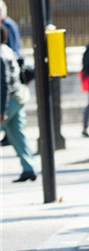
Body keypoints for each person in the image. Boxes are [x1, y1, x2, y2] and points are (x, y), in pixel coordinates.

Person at [1, 24, 35, 182]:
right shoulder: (7, 50)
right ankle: (29, 169)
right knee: (17, 134)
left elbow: (4, 84)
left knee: (17, 134)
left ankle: (29, 168)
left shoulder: (1, 54)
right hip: (19, 95)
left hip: (10, 99)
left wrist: (2, 110)